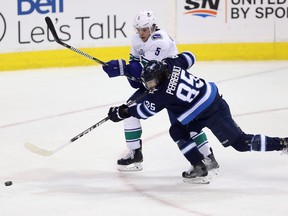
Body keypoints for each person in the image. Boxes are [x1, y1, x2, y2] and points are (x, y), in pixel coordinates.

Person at [107, 59, 288, 180]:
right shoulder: (171, 65)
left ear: (160, 77)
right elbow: (189, 57)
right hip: (206, 107)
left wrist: (123, 112)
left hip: (213, 112)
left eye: (152, 82)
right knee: (177, 130)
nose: (150, 86)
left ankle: (282, 143)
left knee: (241, 143)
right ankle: (199, 165)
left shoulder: (163, 94)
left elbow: (144, 111)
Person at [102, 10, 219, 172]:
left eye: (144, 29)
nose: (141, 33)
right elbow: (137, 71)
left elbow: (145, 70)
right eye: (139, 29)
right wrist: (127, 71)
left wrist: (123, 69)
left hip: (171, 87)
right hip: (151, 84)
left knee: (185, 123)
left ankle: (208, 156)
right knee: (129, 111)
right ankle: (135, 153)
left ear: (153, 27)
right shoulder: (137, 39)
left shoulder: (160, 42)